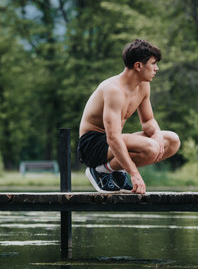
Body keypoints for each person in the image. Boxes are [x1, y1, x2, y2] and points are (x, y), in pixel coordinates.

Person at [77, 39, 180, 194]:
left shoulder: (144, 86)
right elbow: (112, 138)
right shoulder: (114, 90)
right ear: (138, 66)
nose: (156, 68)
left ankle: (110, 170)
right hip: (93, 145)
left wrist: (157, 134)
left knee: (171, 141)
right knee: (151, 148)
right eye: (153, 64)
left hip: (112, 142)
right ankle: (99, 171)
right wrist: (135, 174)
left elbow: (148, 121)